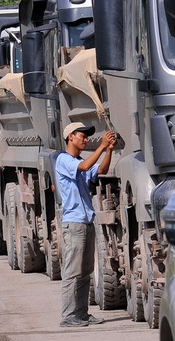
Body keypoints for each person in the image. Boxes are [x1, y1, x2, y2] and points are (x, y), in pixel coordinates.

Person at [56, 122, 116, 328]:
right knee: (73, 270)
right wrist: (101, 146)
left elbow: (102, 169)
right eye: (83, 135)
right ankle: (68, 315)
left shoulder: (81, 161)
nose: (86, 139)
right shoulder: (64, 160)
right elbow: (84, 167)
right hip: (74, 224)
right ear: (70, 137)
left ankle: (81, 313)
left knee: (84, 271)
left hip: (85, 222)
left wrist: (108, 150)